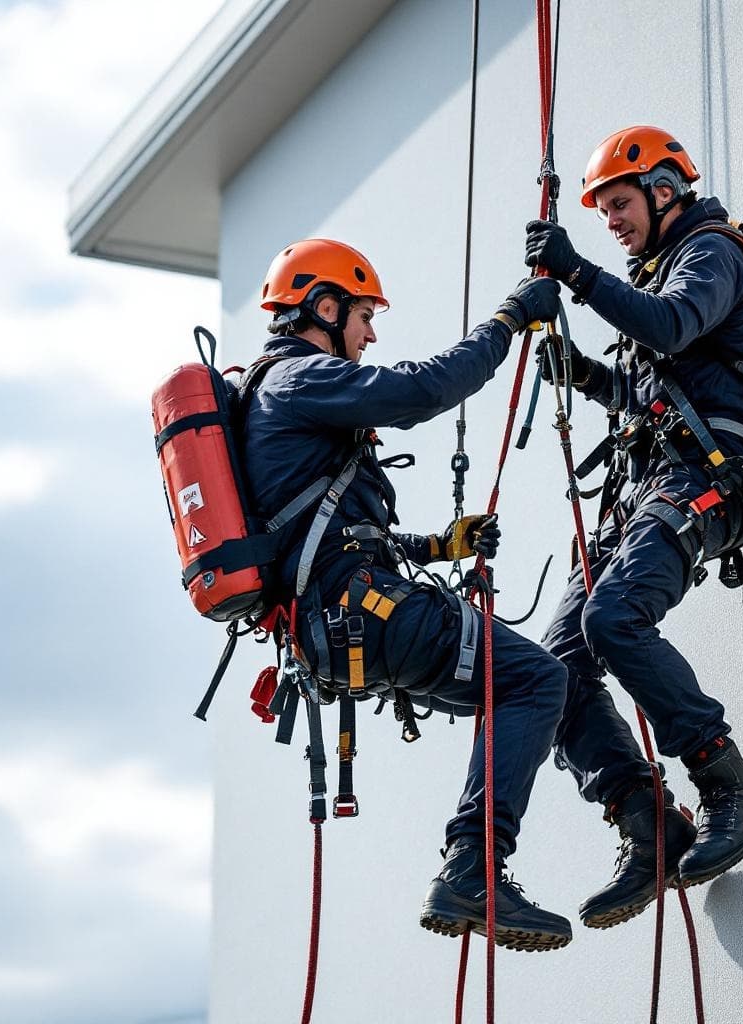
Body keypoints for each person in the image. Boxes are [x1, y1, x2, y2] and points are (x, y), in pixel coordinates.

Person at [242, 238, 572, 951]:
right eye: (361, 314)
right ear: (322, 308)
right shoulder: (299, 377)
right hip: (364, 615)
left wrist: (437, 547)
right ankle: (475, 867)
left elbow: (323, 534)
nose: (370, 332)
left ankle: (485, 861)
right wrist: (509, 320)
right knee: (538, 680)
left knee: (522, 686)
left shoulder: (275, 394)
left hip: (341, 624)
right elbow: (419, 391)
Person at [523, 126, 743, 928]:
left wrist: (574, 270)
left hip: (709, 480)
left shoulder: (711, 255)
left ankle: (727, 781)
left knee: (613, 618)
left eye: (620, 204)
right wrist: (592, 377)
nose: (610, 220)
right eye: (601, 211)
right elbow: (658, 384)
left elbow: (671, 329)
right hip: (648, 489)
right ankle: (647, 823)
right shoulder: (659, 272)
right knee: (554, 666)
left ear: (665, 191)